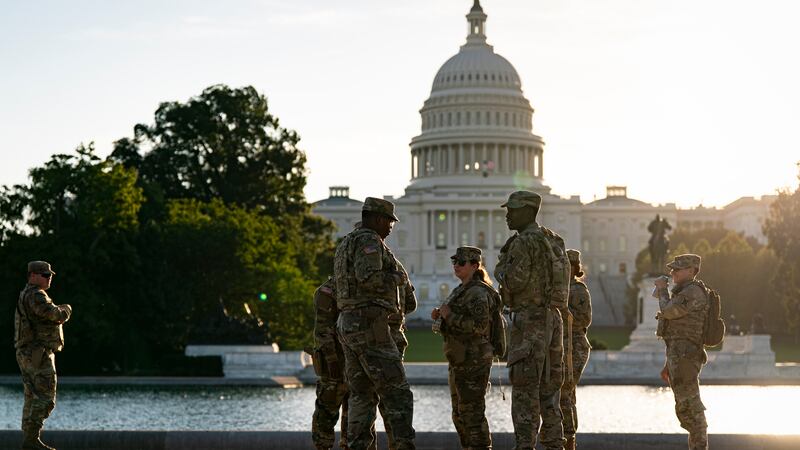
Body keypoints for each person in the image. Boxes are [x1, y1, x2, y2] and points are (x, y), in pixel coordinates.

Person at [333, 197, 415, 450]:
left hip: (349, 324)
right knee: (397, 392)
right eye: (389, 221)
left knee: (362, 395)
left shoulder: (346, 242)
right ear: (378, 219)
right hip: (370, 325)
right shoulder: (369, 240)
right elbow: (368, 278)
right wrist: (398, 278)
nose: (391, 227)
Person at [494, 191, 566, 450]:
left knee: (525, 391)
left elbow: (515, 280)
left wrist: (499, 268)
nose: (507, 215)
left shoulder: (523, 242)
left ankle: (525, 446)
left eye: (512, 210)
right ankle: (555, 445)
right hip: (553, 320)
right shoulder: (554, 241)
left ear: (527, 211)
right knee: (550, 393)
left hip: (529, 322)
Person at [431, 246, 497, 450]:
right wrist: (441, 316)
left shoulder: (478, 292)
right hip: (459, 360)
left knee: (472, 414)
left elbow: (479, 326)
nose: (456, 265)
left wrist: (449, 316)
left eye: (461, 262)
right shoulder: (461, 290)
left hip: (473, 361)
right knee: (459, 414)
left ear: (475, 265)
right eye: (454, 262)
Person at [654, 254, 710, 450]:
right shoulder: (684, 291)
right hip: (679, 355)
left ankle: (699, 446)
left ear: (691, 271)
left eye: (677, 269)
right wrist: (668, 364)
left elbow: (669, 311)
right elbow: (675, 333)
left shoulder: (693, 292)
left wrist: (662, 290)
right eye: (673, 269)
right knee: (685, 407)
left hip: (686, 357)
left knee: (691, 407)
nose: (673, 272)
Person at [15, 261, 72, 450]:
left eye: (50, 275)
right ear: (33, 275)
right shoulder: (36, 295)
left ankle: (29, 440)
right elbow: (56, 315)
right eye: (45, 275)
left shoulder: (26, 294)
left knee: (31, 396)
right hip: (37, 353)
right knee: (46, 397)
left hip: (29, 353)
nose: (49, 278)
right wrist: (66, 309)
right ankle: (31, 439)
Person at [559, 250, 592, 450]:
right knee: (562, 394)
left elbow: (583, 320)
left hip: (574, 347)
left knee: (565, 393)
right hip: (559, 346)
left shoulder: (577, 290)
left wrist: (562, 311)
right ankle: (564, 438)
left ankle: (569, 440)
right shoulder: (558, 289)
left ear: (573, 268)